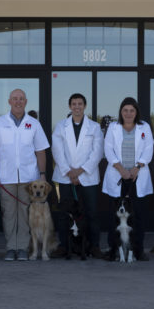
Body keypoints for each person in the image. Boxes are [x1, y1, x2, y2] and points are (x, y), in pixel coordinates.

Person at [0, 89, 50, 261]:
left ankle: (22, 248)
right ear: (9, 101)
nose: (18, 102)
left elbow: (41, 151)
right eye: (15, 99)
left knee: (25, 214)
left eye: (21, 99)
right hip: (6, 178)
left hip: (29, 179)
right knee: (9, 214)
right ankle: (11, 248)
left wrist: (42, 175)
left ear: (26, 102)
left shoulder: (33, 123)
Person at [52, 93, 104, 259]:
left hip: (87, 177)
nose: (77, 107)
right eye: (73, 104)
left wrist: (80, 171)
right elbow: (57, 151)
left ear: (84, 106)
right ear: (69, 106)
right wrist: (69, 171)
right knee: (64, 213)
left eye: (80, 104)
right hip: (65, 176)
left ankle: (94, 246)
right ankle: (63, 246)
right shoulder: (61, 126)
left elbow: (97, 153)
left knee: (91, 212)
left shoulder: (94, 127)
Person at [102, 97, 154, 261]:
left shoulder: (144, 127)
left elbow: (148, 149)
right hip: (118, 175)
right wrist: (121, 169)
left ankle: (138, 250)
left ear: (136, 112)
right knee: (114, 217)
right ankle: (113, 250)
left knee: (138, 216)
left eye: (132, 110)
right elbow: (108, 149)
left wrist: (137, 168)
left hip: (138, 176)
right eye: (125, 110)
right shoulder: (113, 127)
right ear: (121, 112)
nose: (129, 113)